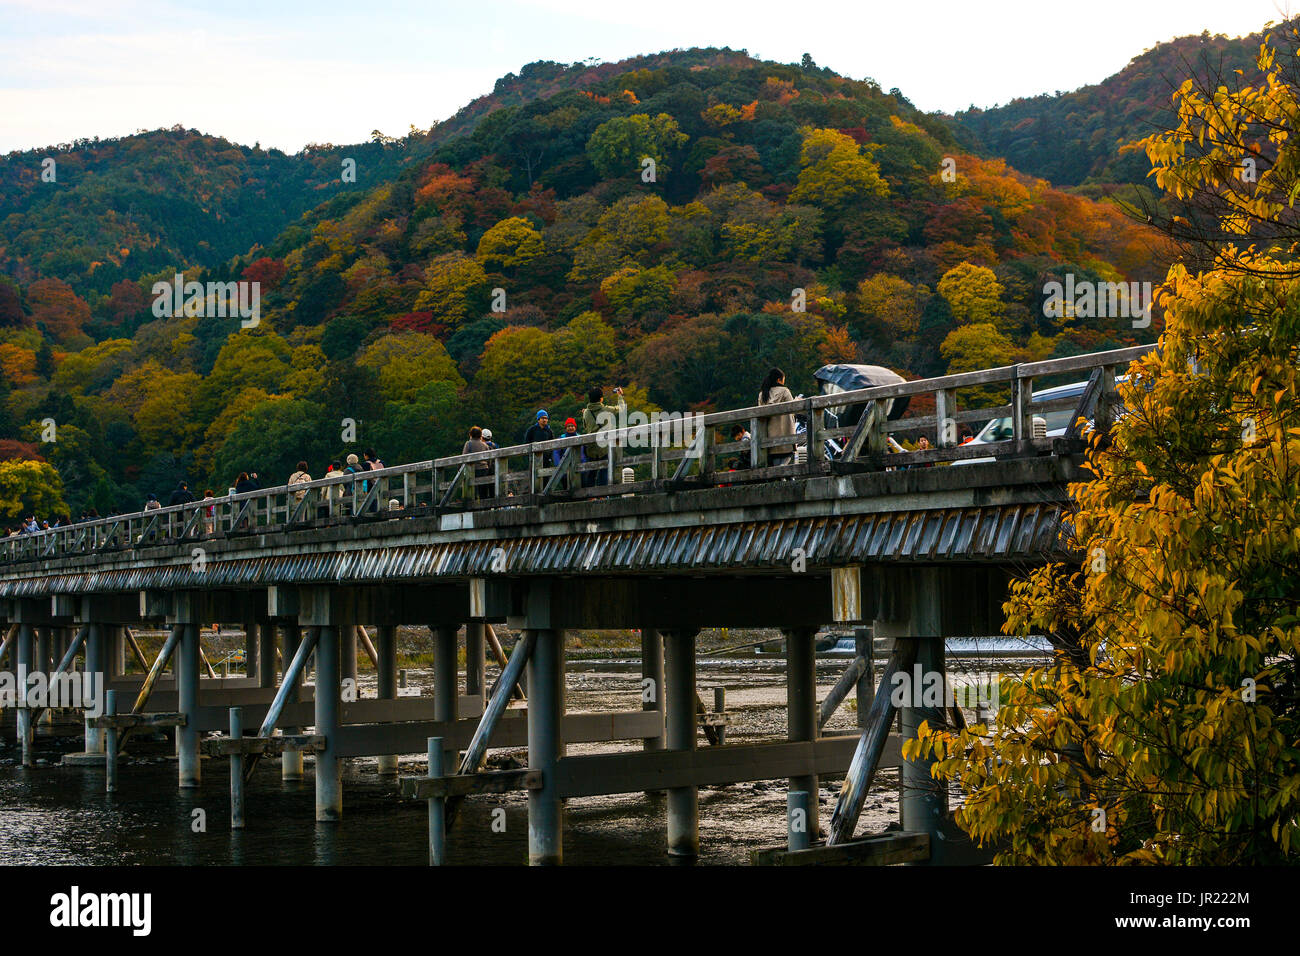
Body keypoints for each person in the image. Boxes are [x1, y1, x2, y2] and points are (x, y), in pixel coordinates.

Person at [581, 386, 625, 487]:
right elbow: (621, 409)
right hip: (604, 447)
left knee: (591, 471)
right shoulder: (605, 409)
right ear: (601, 398)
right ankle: (602, 496)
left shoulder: (586, 412)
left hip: (591, 447)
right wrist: (620, 396)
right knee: (604, 470)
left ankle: (590, 496)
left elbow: (585, 426)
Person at [758, 368, 797, 467]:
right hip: (786, 436)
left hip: (770, 439)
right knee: (786, 464)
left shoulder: (763, 394)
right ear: (779, 380)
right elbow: (794, 409)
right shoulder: (784, 391)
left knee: (774, 467)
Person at [463, 426, 492, 499]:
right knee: (483, 490)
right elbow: (489, 459)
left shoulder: (468, 444)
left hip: (473, 470)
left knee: (473, 490)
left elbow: (463, 457)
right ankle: (485, 506)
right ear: (480, 435)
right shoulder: (485, 445)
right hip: (484, 469)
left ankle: (473, 505)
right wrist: (488, 467)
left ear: (471, 434)